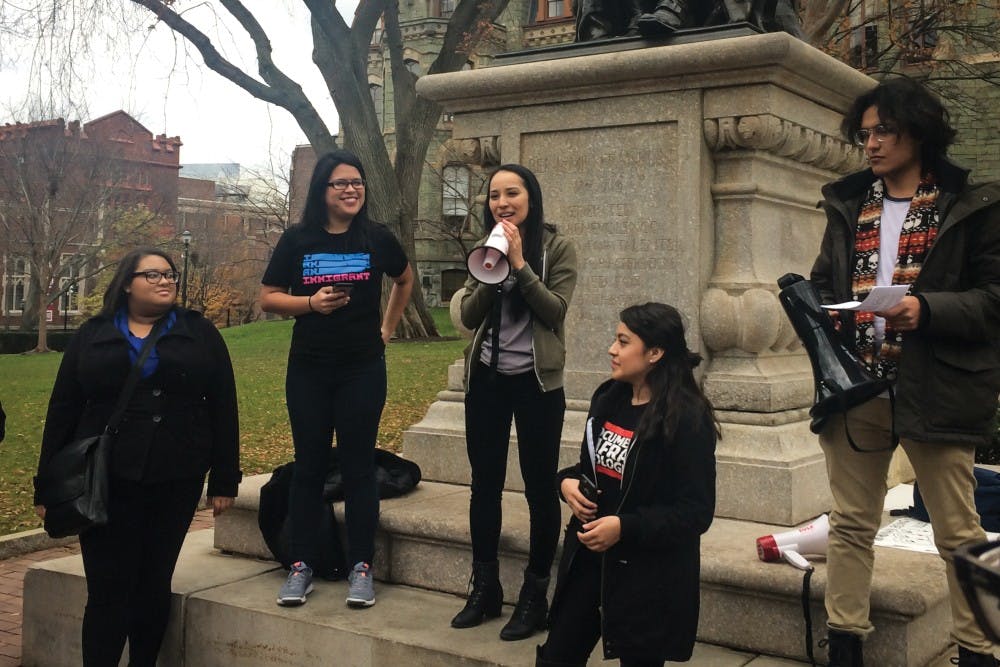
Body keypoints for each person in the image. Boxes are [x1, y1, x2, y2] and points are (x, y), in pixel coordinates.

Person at [810, 77, 1000, 667]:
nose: (871, 144)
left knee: (959, 532)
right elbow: (823, 283)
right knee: (850, 523)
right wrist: (826, 313)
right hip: (859, 387)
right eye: (865, 134)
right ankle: (845, 644)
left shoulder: (969, 204)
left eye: (884, 132)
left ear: (918, 133)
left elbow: (993, 299)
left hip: (936, 386)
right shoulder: (849, 205)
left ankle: (980, 650)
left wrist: (927, 310)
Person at [33, 248, 241, 667]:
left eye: (170, 275)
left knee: (153, 582)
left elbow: (223, 405)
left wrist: (224, 479)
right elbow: (63, 408)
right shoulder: (92, 334)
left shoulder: (199, 332)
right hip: (105, 478)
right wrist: (47, 486)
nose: (166, 281)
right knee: (107, 588)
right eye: (153, 275)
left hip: (176, 474)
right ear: (127, 283)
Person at [260, 149, 413, 610]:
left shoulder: (376, 237)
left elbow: (404, 280)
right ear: (322, 190)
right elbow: (268, 297)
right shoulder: (297, 239)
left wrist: (387, 329)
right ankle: (301, 565)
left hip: (362, 368)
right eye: (340, 183)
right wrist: (310, 304)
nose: (351, 189)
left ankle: (360, 567)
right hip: (309, 369)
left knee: (359, 466)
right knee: (308, 467)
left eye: (357, 182)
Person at [537, 302, 718, 667]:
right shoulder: (609, 398)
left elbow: (695, 512)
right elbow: (592, 468)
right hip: (589, 563)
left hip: (647, 577)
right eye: (615, 340)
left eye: (623, 342)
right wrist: (566, 483)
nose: (612, 350)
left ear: (654, 353)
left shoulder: (687, 418)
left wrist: (625, 527)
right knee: (556, 657)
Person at [451, 163, 578, 640]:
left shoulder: (557, 248)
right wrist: (491, 267)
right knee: (484, 485)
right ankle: (484, 588)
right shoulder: (485, 244)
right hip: (487, 379)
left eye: (512, 194)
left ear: (531, 198)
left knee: (539, 488)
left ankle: (534, 595)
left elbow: (555, 311)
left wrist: (521, 265)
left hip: (537, 383)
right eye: (494, 196)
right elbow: (467, 315)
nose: (502, 203)